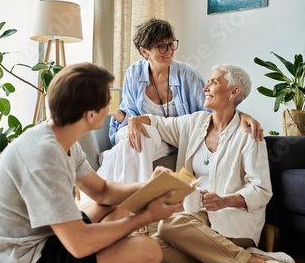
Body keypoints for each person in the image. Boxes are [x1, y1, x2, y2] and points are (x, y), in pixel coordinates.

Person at [0, 63, 184, 263]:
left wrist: (149, 187)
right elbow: (78, 243)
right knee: (149, 252)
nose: (111, 108)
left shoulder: (61, 138)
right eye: (107, 102)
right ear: (90, 115)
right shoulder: (44, 156)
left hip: (47, 239)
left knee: (117, 204)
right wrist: (145, 218)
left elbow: (103, 191)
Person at [128, 64, 297, 263]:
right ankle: (251, 260)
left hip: (231, 219)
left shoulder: (249, 133)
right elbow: (158, 122)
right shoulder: (195, 123)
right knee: (147, 249)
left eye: (214, 82)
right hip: (194, 219)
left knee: (168, 227)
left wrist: (225, 201)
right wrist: (135, 120)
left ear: (234, 92)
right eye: (208, 82)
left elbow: (261, 190)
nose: (206, 87)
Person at [98, 18, 262, 184]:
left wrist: (241, 116)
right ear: (145, 52)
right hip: (140, 134)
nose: (169, 50)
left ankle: (109, 197)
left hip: (169, 139)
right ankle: (137, 199)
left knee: (135, 142)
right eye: (162, 45)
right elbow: (129, 117)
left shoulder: (187, 75)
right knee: (135, 138)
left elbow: (214, 109)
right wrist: (113, 110)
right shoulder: (134, 72)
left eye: (171, 44)